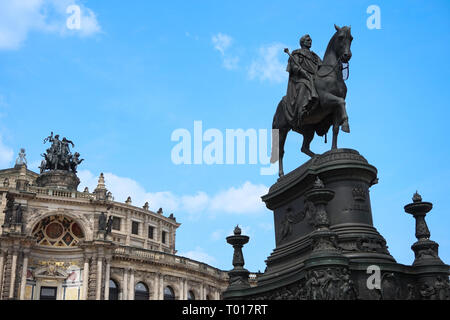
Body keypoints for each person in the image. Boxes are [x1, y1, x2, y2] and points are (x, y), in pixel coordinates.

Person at [285, 34, 322, 127]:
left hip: (315, 78)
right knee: (303, 85)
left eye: (311, 40)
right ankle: (301, 109)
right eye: (308, 40)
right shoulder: (297, 53)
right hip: (301, 78)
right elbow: (293, 66)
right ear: (302, 42)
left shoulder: (315, 56)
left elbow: (323, 66)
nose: (310, 42)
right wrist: (301, 71)